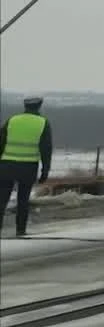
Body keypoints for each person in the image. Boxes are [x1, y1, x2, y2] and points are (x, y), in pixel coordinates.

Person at [0, 95, 53, 237]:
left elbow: (1, 143)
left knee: (1, 199)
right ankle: (20, 230)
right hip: (28, 167)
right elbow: (46, 149)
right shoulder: (42, 123)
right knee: (23, 200)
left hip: (6, 165)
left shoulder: (12, 120)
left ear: (25, 107)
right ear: (39, 106)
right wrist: (45, 170)